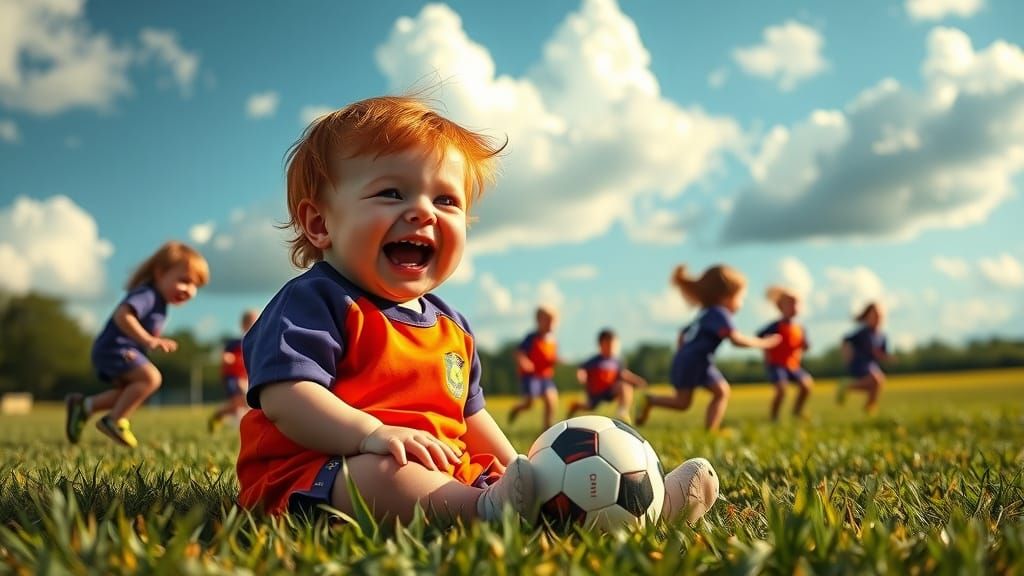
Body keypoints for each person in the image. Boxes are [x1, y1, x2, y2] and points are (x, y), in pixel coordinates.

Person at [234, 96, 719, 527]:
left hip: (439, 467)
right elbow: (288, 397)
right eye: (391, 193)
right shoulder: (315, 303)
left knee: (484, 471)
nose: (423, 211)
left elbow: (472, 419)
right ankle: (484, 510)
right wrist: (371, 434)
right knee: (382, 475)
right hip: (321, 471)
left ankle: (646, 505)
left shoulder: (451, 327)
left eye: (445, 199)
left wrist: (517, 468)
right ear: (319, 223)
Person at [65, 241, 209, 448]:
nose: (190, 290)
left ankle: (84, 406)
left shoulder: (160, 303)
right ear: (160, 273)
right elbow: (123, 315)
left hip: (119, 349)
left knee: (130, 392)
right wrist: (148, 340)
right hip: (115, 348)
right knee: (151, 379)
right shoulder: (148, 294)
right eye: (185, 281)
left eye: (196, 285)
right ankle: (113, 420)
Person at [636, 264, 780, 431]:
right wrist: (765, 343)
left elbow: (683, 334)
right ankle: (709, 430)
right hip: (695, 361)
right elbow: (735, 340)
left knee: (697, 399)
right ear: (726, 296)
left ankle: (652, 401)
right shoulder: (720, 313)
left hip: (692, 360)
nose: (741, 304)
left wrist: (684, 353)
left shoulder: (705, 313)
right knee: (698, 399)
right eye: (740, 298)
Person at [757, 286, 813, 421]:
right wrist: (767, 350)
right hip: (777, 364)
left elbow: (803, 345)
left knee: (806, 385)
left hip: (793, 365)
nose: (795, 306)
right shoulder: (775, 326)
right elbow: (760, 337)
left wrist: (805, 347)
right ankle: (774, 417)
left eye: (797, 303)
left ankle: (797, 412)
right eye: (791, 303)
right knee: (781, 389)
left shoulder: (799, 328)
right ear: (781, 307)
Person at [567, 328, 647, 423]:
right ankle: (574, 407)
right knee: (589, 407)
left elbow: (623, 374)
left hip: (610, 390)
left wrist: (637, 380)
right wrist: (581, 376)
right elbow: (582, 369)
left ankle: (622, 411)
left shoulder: (617, 361)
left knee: (625, 387)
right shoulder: (594, 361)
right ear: (600, 345)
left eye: (614, 345)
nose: (612, 348)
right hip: (595, 393)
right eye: (608, 345)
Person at [507, 306, 560, 430]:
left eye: (553, 321)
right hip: (531, 377)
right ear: (538, 321)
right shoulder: (532, 337)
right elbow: (519, 352)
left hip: (545, 377)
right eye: (547, 320)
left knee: (551, 399)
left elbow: (550, 358)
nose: (550, 324)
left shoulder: (552, 341)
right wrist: (524, 361)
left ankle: (547, 429)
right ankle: (516, 409)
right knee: (528, 404)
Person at [208, 309, 259, 433]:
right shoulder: (235, 343)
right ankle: (241, 428)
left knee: (239, 403)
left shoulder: (258, 343)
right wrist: (227, 358)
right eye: (250, 322)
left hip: (246, 377)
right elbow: (224, 355)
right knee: (241, 400)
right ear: (243, 325)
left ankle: (219, 413)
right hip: (232, 377)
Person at [837, 302, 890, 414]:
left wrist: (888, 358)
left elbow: (880, 353)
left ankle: (868, 407)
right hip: (859, 363)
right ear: (867, 317)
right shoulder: (863, 333)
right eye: (874, 315)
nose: (877, 318)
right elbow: (845, 340)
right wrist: (846, 355)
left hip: (871, 365)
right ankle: (849, 388)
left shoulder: (882, 336)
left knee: (878, 383)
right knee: (876, 379)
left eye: (879, 316)